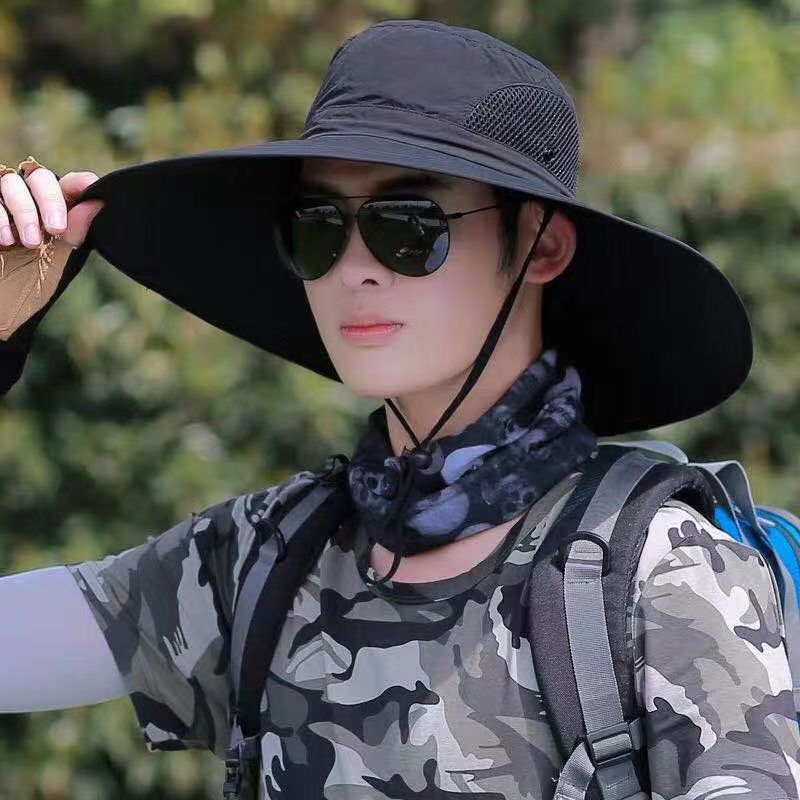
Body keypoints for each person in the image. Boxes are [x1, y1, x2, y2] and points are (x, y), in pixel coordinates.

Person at [1, 18, 798, 800]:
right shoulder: (264, 562)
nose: (354, 268)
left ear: (543, 245)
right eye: (317, 228)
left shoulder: (657, 572)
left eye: (408, 226)